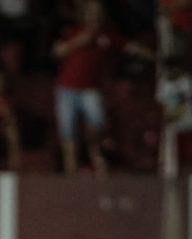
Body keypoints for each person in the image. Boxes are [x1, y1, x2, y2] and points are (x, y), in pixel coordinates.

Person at [52, 0, 153, 175]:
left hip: (90, 88)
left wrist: (153, 56)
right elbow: (57, 51)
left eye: (97, 12)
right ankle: (71, 168)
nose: (93, 16)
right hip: (66, 88)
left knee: (97, 122)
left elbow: (130, 47)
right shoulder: (74, 32)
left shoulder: (107, 36)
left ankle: (96, 157)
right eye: (90, 12)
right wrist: (79, 41)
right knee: (68, 130)